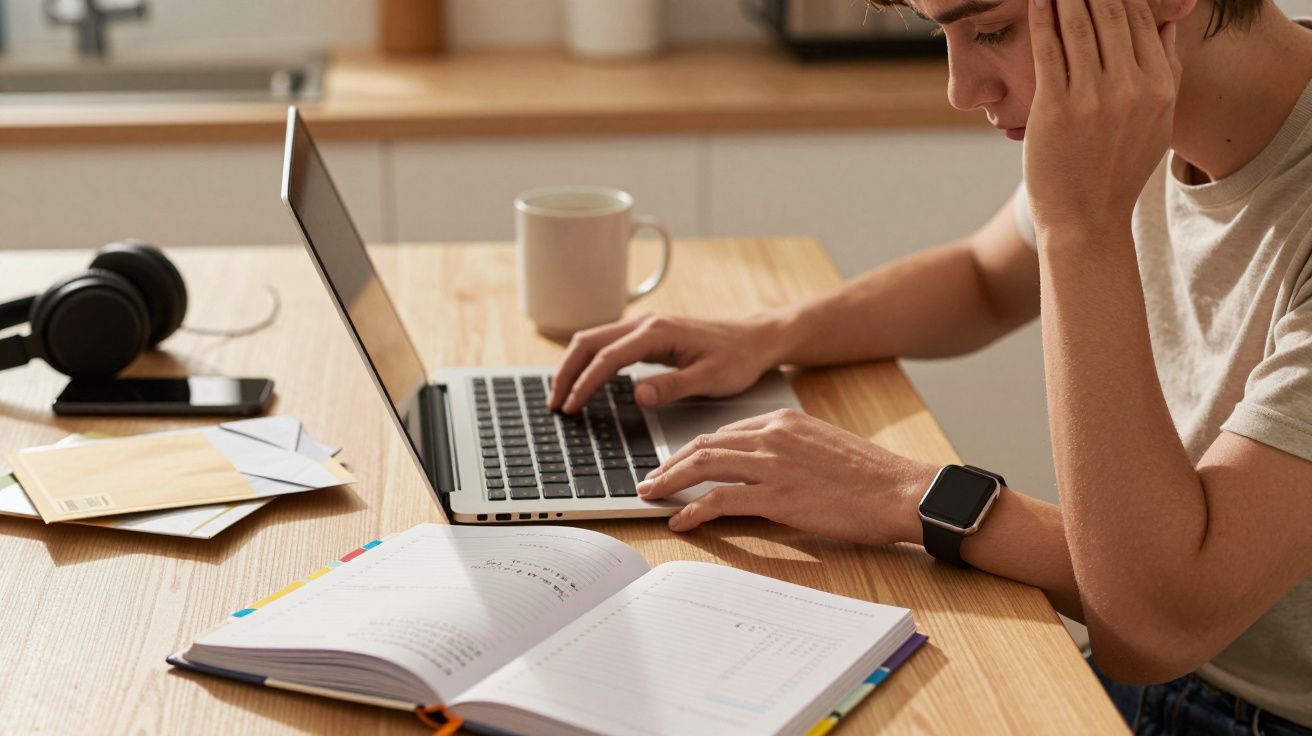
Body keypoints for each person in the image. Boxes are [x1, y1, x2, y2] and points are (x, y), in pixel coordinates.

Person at [547, 0, 1312, 731]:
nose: (960, 89)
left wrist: (911, 493)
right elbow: (983, 278)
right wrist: (770, 332)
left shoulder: (1113, 150)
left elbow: (1161, 622)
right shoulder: (1144, 113)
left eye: (992, 28)